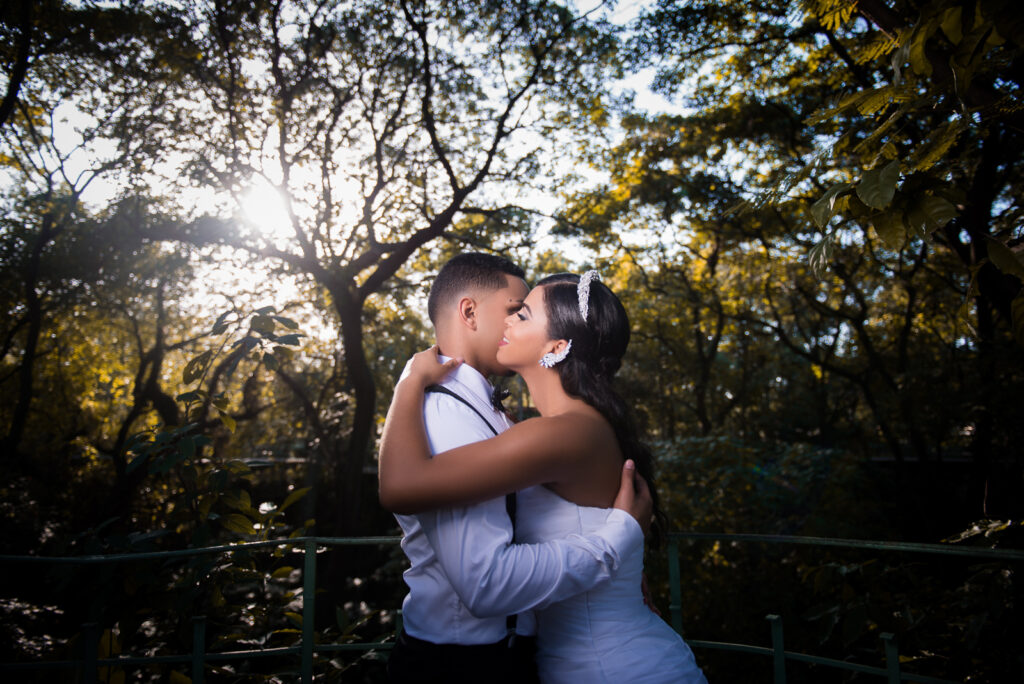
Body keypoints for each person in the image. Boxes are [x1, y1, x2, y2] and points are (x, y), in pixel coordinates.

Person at [379, 268, 708, 683]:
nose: (508, 322)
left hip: (616, 668)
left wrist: (410, 381)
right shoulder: (550, 428)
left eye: (522, 314)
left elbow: (400, 487)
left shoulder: (564, 432)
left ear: (557, 345)